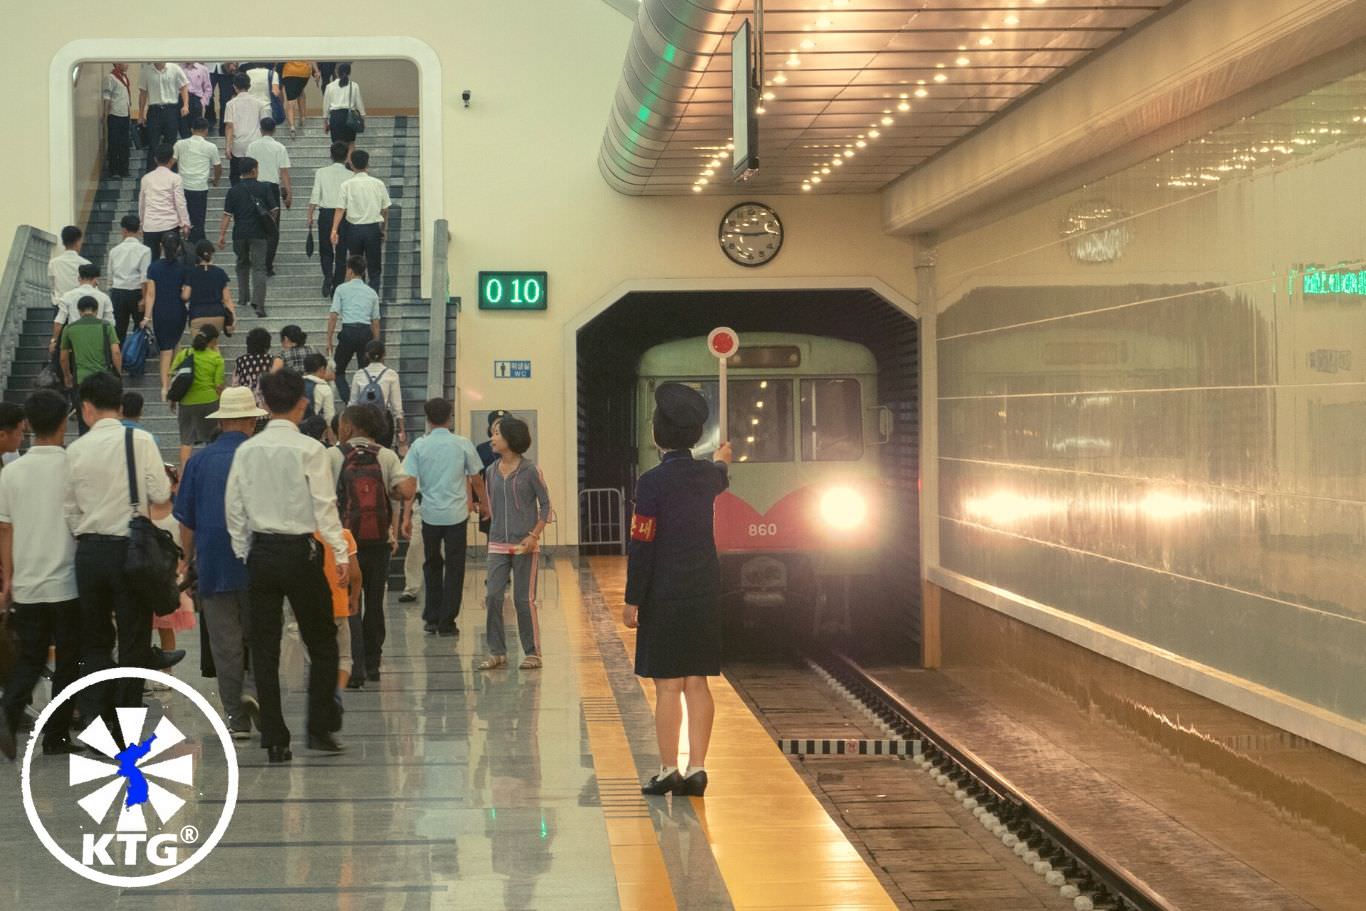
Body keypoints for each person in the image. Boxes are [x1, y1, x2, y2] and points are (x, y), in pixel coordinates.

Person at [225, 369, 348, 762]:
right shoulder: (310, 450)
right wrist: (340, 553)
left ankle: (275, 738)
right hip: (301, 553)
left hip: (261, 553)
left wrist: (246, 550)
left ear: (262, 405)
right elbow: (324, 506)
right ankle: (319, 728)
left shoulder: (247, 450)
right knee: (323, 641)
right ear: (303, 403)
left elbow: (235, 508)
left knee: (264, 648)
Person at [624, 383, 732, 797]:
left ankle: (669, 768)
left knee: (668, 684)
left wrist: (633, 598)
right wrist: (721, 459)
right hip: (704, 588)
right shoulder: (708, 477)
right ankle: (698, 768)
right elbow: (720, 472)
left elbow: (642, 541)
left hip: (664, 592)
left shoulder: (650, 483)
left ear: (657, 435)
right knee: (697, 681)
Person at [66, 372, 177, 745]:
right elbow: (160, 492)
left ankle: (96, 728)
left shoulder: (76, 449)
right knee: (133, 641)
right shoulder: (139, 440)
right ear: (121, 402)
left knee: (94, 641)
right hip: (131, 553)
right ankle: (125, 730)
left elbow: (69, 510)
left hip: (90, 553)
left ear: (86, 408)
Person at [175, 386, 263, 739]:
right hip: (259, 561)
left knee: (224, 642)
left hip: (214, 562)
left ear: (222, 421)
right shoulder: (260, 457)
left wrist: (187, 559)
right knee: (260, 635)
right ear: (251, 423)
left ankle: (236, 717)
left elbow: (186, 520)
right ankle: (257, 693)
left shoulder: (198, 461)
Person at [0, 391, 84, 761]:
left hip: (27, 581)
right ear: (64, 423)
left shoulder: (12, 471)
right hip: (68, 580)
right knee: (69, 658)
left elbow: (5, 531)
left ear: (29, 425)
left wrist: (8, 580)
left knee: (31, 658)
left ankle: (8, 711)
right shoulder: (74, 466)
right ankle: (56, 734)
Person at [329, 405, 413, 685]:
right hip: (378, 543)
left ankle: (354, 667)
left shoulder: (333, 455)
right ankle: (374, 664)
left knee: (349, 604)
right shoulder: (386, 456)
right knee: (375, 603)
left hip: (343, 545)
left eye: (341, 424)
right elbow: (405, 491)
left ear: (350, 427)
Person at [401, 398, 485, 638]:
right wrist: (485, 504)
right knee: (455, 567)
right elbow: (476, 478)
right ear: (450, 417)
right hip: (456, 515)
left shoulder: (419, 446)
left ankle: (431, 617)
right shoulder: (462, 444)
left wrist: (406, 516)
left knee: (431, 564)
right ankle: (448, 621)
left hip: (430, 514)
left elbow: (409, 483)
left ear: (427, 419)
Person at [474, 416, 551, 671]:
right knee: (493, 596)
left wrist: (534, 535)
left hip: (525, 545)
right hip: (497, 543)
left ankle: (533, 652)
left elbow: (546, 506)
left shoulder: (530, 471)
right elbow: (493, 505)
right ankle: (497, 652)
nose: (492, 438)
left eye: (496, 434)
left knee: (522, 600)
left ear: (510, 438)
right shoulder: (491, 471)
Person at [151, 465, 196, 688]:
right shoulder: (143, 511)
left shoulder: (178, 512)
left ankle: (166, 672)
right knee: (142, 627)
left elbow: (184, 543)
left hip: (170, 575)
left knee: (165, 625)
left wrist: (182, 566)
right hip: (147, 575)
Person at [218, 157, 277, 318]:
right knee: (259, 268)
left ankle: (243, 298)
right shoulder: (264, 187)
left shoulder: (234, 190)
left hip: (239, 234)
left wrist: (222, 235)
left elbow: (227, 215)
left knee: (242, 264)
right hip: (259, 234)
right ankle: (259, 304)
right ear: (253, 171)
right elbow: (274, 209)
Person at [332, 149, 389, 295]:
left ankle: (358, 297)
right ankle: (373, 299)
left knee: (356, 267)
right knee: (374, 268)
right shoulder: (378, 184)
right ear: (367, 163)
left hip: (354, 230)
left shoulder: (346, 185)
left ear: (351, 164)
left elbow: (340, 209)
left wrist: (334, 230)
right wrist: (383, 228)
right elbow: (385, 209)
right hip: (372, 229)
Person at [60, 296, 120, 434]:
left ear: (79, 310)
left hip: (81, 380)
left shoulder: (70, 328)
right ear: (97, 310)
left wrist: (67, 376)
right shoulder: (106, 326)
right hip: (103, 380)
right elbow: (116, 352)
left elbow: (63, 358)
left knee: (84, 421)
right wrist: (118, 372)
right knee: (104, 418)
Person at [170, 326, 225, 470]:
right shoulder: (216, 358)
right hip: (209, 402)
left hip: (187, 402)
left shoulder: (184, 354)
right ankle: (211, 469)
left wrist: (173, 399)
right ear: (213, 341)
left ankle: (183, 474)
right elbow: (218, 385)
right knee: (212, 439)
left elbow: (174, 375)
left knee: (186, 441)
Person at [326, 256, 380, 402]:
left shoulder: (341, 289)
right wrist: (376, 343)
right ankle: (364, 402)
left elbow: (333, 316)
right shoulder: (372, 293)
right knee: (365, 373)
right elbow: (375, 321)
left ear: (349, 270)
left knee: (338, 371)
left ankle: (350, 401)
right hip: (366, 333)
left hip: (348, 332)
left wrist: (329, 339)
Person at [144, 234, 189, 399]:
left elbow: (150, 294)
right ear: (177, 248)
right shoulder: (183, 269)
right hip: (178, 311)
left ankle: (165, 386)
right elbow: (185, 295)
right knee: (175, 344)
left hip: (160, 311)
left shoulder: (154, 268)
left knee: (165, 350)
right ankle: (174, 380)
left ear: (161, 246)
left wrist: (146, 317)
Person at [245, 118, 291, 276]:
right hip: (271, 189)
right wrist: (288, 194)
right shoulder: (279, 147)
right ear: (274, 129)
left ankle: (256, 260)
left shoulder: (252, 146)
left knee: (255, 224)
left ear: (260, 129)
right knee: (272, 227)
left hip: (254, 186)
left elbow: (247, 168)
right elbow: (284, 172)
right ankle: (268, 264)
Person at [308, 142, 352, 297]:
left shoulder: (321, 172)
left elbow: (315, 194)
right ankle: (337, 283)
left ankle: (327, 275)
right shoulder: (351, 175)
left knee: (325, 249)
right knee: (342, 250)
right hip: (344, 215)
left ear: (331, 155)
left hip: (326, 213)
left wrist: (310, 214)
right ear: (347, 155)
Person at [138, 143, 191, 260]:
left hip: (150, 225)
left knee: (152, 261)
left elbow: (142, 204)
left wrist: (141, 224)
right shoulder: (175, 178)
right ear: (172, 159)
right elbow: (180, 202)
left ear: (155, 159)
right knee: (172, 260)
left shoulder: (146, 178)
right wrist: (185, 223)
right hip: (170, 224)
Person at [173, 117, 222, 242]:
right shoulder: (211, 147)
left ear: (191, 129)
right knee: (198, 221)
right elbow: (217, 167)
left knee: (181, 218)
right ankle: (197, 247)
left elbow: (171, 162)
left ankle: (180, 244)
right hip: (200, 188)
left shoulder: (180, 144)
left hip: (182, 187)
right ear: (206, 130)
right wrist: (216, 180)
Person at [51, 264, 115, 360]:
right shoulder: (104, 297)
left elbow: (59, 322)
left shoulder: (67, 296)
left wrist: (54, 341)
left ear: (79, 278)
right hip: (97, 340)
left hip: (75, 339)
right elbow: (110, 323)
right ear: (96, 279)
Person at [349, 340, 404, 450]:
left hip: (362, 420)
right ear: (384, 355)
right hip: (384, 419)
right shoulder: (391, 374)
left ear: (367, 355)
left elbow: (352, 403)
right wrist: (401, 429)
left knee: (364, 452)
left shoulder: (359, 374)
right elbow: (397, 406)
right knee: (383, 453)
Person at [137, 63, 189, 173]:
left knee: (171, 143)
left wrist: (185, 105)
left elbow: (184, 86)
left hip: (171, 109)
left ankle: (171, 172)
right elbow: (143, 93)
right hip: (154, 110)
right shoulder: (146, 71)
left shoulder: (174, 68)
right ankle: (151, 173)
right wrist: (141, 114)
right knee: (153, 144)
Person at [106, 215, 151, 342]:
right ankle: (136, 356)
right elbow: (144, 277)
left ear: (123, 230)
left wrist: (111, 292)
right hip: (136, 292)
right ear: (139, 229)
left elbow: (110, 275)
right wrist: (144, 298)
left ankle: (118, 358)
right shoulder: (145, 250)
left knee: (119, 329)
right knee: (139, 328)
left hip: (118, 292)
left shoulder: (114, 251)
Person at [182, 239, 234, 336]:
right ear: (212, 253)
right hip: (217, 314)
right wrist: (233, 318)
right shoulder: (220, 273)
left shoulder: (191, 273)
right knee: (213, 345)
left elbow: (185, 296)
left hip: (197, 314)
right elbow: (227, 299)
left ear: (197, 255)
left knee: (199, 347)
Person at [223, 73, 267, 185]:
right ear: (249, 85)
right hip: (255, 144)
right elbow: (264, 125)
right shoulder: (259, 103)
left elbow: (229, 126)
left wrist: (228, 147)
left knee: (236, 177)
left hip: (238, 146)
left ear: (234, 87)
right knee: (256, 177)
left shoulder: (230, 104)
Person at [322, 63, 365, 149]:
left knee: (337, 143)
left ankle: (339, 160)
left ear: (337, 72)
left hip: (335, 117)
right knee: (350, 143)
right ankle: (349, 161)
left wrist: (325, 121)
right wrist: (363, 118)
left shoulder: (330, 86)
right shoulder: (354, 85)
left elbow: (326, 105)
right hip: (350, 116)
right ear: (349, 73)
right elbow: (359, 103)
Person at [102, 63, 133, 178]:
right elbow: (107, 96)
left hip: (125, 113)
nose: (127, 65)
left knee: (124, 144)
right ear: (117, 63)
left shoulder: (124, 77)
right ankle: (114, 171)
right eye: (125, 62)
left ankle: (124, 170)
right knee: (114, 144)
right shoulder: (110, 78)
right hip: (114, 114)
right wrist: (105, 113)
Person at [48, 226, 89, 309]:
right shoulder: (86, 264)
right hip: (80, 307)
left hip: (60, 304)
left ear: (63, 242)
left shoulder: (53, 263)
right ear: (78, 242)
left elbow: (50, 286)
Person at [233, 327, 274, 403]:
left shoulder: (240, 360)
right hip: (267, 402)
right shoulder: (272, 360)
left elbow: (235, 383)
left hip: (246, 401)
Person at [303, 353, 337, 442]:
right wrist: (332, 442)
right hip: (313, 434)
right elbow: (329, 418)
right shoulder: (324, 388)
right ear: (322, 369)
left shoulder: (296, 383)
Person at [280, 60, 318, 138]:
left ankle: (292, 127)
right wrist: (316, 71)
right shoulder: (305, 47)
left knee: (290, 100)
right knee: (300, 92)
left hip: (289, 71)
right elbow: (311, 57)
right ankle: (303, 118)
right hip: (304, 72)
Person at [181, 63, 213, 137]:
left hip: (196, 99)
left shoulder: (202, 69)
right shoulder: (179, 68)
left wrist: (202, 102)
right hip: (182, 99)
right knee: (183, 128)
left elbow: (208, 88)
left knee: (196, 127)